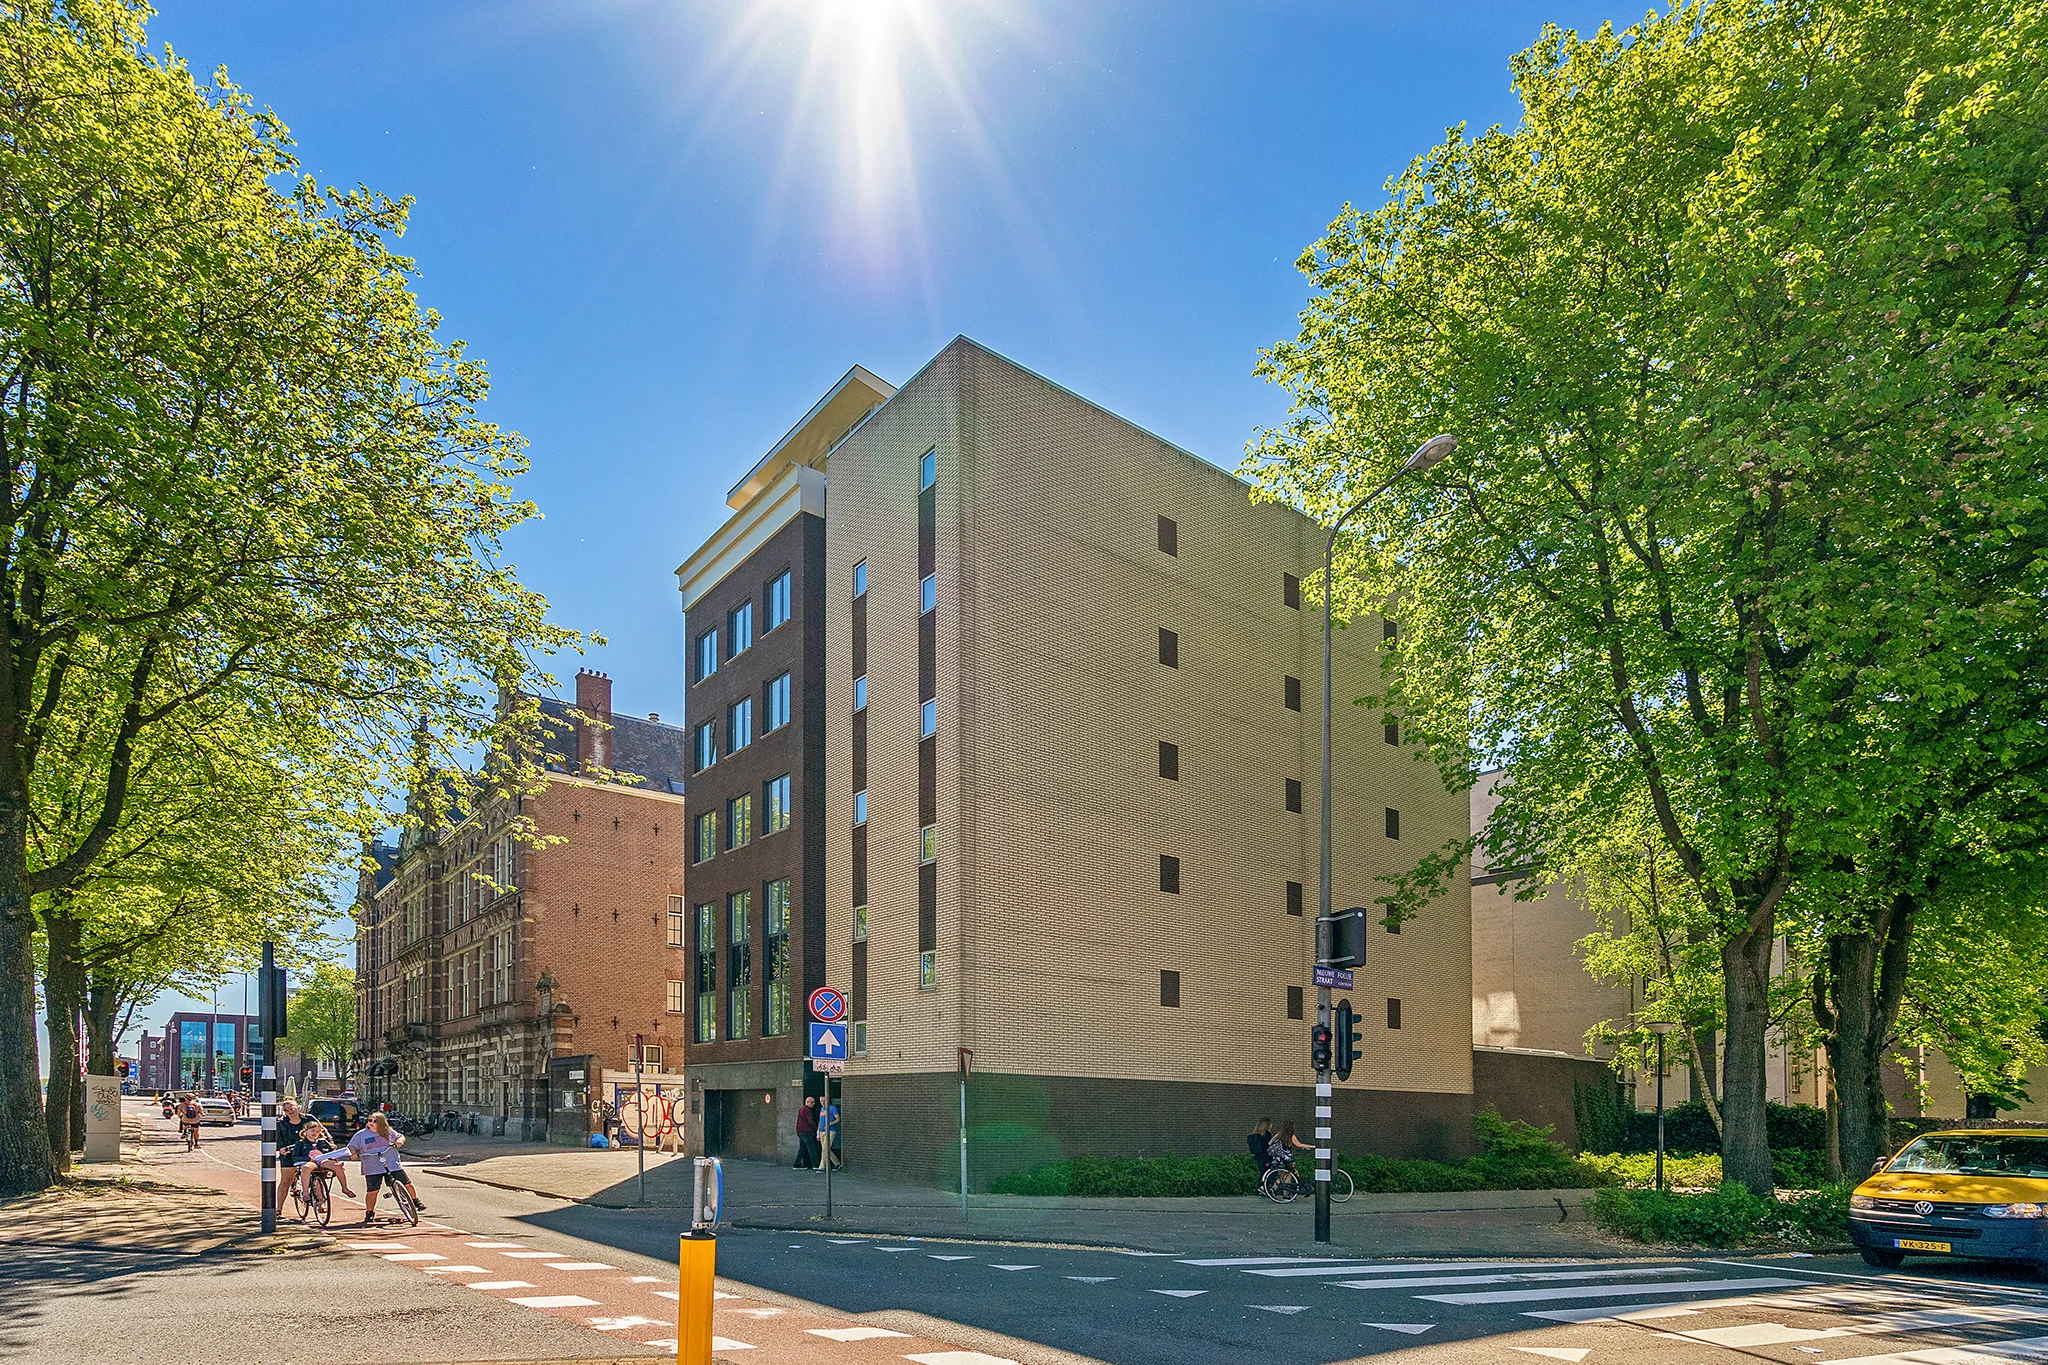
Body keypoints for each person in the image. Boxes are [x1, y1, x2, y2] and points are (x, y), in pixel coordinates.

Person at [348, 1111, 426, 1224]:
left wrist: (399, 1142)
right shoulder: (361, 1135)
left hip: (392, 1163)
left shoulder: (388, 1132)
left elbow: (400, 1137)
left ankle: (415, 1201)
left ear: (381, 1123)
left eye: (375, 1121)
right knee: (372, 1191)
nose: (371, 1123)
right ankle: (369, 1212)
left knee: (407, 1183)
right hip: (372, 1167)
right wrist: (353, 1153)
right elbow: (351, 1146)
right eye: (370, 1120)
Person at [291, 1119, 357, 1206]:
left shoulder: (322, 1141)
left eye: (317, 1131)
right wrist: (308, 1158)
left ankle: (345, 1188)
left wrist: (334, 1156)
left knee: (337, 1166)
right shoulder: (300, 1143)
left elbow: (331, 1152)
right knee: (306, 1168)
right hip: (310, 1162)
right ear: (306, 1131)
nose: (315, 1133)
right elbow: (295, 1157)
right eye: (312, 1130)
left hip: (322, 1161)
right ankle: (306, 1192)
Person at [795, 1096, 820, 1170]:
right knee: (811, 1148)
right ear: (807, 1102)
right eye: (812, 1102)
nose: (813, 1104)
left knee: (803, 1148)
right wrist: (816, 1129)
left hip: (800, 1131)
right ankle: (815, 1165)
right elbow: (810, 1121)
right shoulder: (807, 1110)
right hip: (806, 1132)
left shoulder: (801, 1109)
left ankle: (797, 1164)